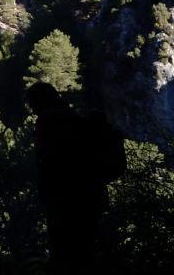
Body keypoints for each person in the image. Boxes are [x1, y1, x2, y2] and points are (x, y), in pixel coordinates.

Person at [25, 81, 107, 274]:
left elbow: (49, 162)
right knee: (85, 251)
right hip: (89, 196)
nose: (31, 108)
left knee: (63, 253)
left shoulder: (48, 120)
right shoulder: (73, 117)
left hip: (64, 200)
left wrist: (46, 194)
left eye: (32, 102)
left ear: (40, 100)